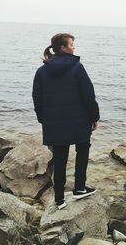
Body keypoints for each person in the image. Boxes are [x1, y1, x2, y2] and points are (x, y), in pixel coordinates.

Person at [32, 33, 100, 210]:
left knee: (60, 158)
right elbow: (88, 95)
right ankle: (79, 188)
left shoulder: (42, 70)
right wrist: (94, 117)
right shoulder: (77, 67)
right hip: (79, 120)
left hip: (54, 122)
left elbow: (37, 98)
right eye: (71, 45)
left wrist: (43, 119)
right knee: (83, 150)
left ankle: (60, 199)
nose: (74, 48)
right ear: (63, 48)